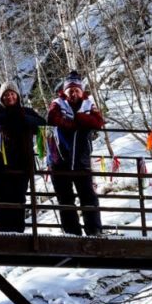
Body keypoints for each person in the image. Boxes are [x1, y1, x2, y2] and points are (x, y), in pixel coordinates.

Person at [0, 82, 46, 232]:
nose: (9, 97)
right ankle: (2, 233)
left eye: (12, 94)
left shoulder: (25, 112)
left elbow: (42, 123)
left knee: (19, 197)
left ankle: (18, 232)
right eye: (6, 95)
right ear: (1, 98)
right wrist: (8, 117)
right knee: (0, 198)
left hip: (22, 163)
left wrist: (22, 118)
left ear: (17, 96)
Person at [47, 71, 105, 236]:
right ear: (65, 92)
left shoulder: (88, 104)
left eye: (76, 90)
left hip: (81, 160)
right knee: (65, 199)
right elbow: (52, 118)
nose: (73, 93)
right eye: (70, 90)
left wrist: (78, 118)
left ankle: (94, 231)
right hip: (60, 160)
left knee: (88, 197)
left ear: (81, 91)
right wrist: (71, 124)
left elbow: (98, 122)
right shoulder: (57, 103)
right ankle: (72, 233)